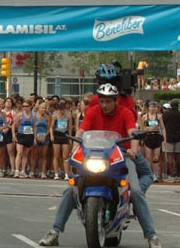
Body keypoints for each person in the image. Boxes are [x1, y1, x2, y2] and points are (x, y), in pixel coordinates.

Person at [38, 83, 161, 248]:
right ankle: (54, 232)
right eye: (102, 101)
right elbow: (81, 131)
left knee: (136, 192)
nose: (104, 105)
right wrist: (75, 148)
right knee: (70, 190)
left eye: (108, 101)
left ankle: (152, 236)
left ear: (115, 101)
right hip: (94, 156)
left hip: (121, 156)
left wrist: (132, 149)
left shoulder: (125, 113)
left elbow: (132, 132)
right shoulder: (92, 111)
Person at [139, 101, 165, 182]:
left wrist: (165, 138)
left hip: (156, 137)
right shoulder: (144, 117)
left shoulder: (159, 116)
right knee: (148, 157)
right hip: (148, 137)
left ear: (156, 108)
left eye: (154, 107)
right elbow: (141, 128)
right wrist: (145, 130)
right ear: (148, 108)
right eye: (151, 107)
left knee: (156, 158)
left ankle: (155, 174)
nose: (152, 109)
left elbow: (163, 127)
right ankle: (149, 174)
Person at [161, 99, 180, 181]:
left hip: (168, 137)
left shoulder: (165, 115)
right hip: (179, 137)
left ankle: (171, 175)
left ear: (171, 105)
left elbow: (163, 126)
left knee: (170, 156)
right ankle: (178, 175)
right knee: (178, 156)